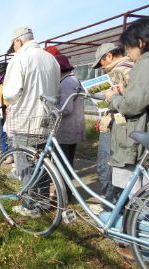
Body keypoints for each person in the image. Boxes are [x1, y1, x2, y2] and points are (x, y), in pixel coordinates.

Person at [3, 26, 60, 217]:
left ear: (18, 42)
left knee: (25, 163)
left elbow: (10, 93)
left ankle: (29, 205)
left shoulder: (20, 58)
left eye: (14, 45)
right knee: (43, 163)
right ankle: (42, 203)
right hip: (47, 119)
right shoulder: (51, 59)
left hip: (26, 119)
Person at [104, 18, 149, 259]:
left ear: (140, 43)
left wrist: (113, 97)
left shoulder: (145, 63)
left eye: (130, 49)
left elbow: (132, 106)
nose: (129, 55)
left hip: (137, 136)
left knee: (137, 194)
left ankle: (136, 244)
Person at [92, 43, 134, 211]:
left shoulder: (119, 71)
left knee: (107, 167)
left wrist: (109, 113)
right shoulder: (134, 67)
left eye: (101, 62)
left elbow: (124, 103)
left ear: (109, 56)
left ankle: (111, 209)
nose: (101, 68)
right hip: (129, 128)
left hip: (116, 126)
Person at [55, 54, 86, 202]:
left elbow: (65, 108)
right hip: (74, 128)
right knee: (67, 163)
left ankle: (64, 196)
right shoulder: (74, 80)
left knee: (62, 165)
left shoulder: (66, 83)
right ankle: (66, 194)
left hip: (65, 129)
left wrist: (51, 107)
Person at [0, 63, 13, 163]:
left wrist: (7, 107)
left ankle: (10, 155)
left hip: (9, 111)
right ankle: (4, 153)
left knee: (10, 134)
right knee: (2, 133)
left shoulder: (12, 84)